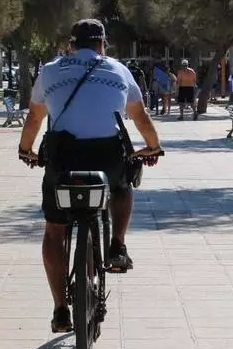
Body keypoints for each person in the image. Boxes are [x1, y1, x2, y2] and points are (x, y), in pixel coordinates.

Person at [17, 19, 162, 333]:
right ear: (102, 45)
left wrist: (25, 150)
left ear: (71, 45)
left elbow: (34, 118)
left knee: (55, 230)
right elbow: (140, 116)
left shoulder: (50, 70)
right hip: (106, 156)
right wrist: (153, 146)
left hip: (63, 156)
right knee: (122, 185)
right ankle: (117, 246)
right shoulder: (119, 70)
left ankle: (60, 309)